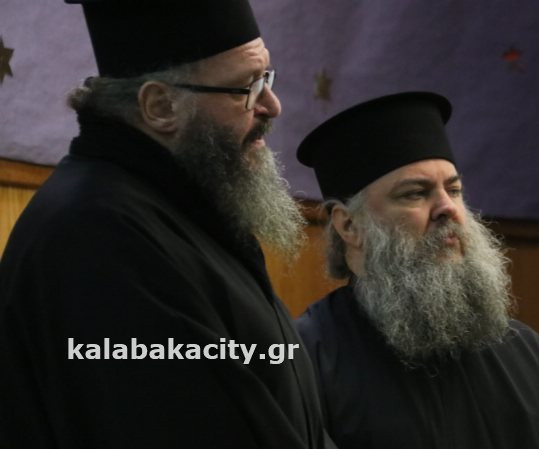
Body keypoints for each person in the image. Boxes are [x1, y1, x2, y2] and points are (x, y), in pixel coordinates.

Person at [0, 1, 329, 448]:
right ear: (159, 106)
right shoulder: (101, 237)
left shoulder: (188, 210)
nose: (272, 105)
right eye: (247, 87)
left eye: (266, 79)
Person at [295, 92, 539, 449]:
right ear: (349, 226)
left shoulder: (531, 356)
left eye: (454, 190)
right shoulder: (305, 360)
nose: (448, 208)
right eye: (415, 193)